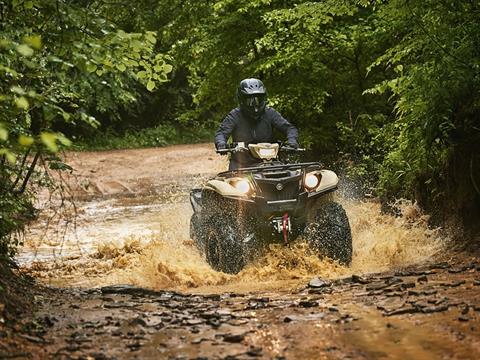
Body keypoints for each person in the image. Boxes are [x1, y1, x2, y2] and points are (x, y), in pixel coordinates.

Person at [214, 78, 299, 170]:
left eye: (258, 100)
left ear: (264, 98)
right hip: (242, 165)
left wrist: (292, 141)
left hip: (269, 163)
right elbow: (221, 133)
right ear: (242, 99)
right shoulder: (235, 115)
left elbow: (289, 128)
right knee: (231, 182)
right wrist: (221, 144)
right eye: (250, 101)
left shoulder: (270, 113)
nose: (255, 105)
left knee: (288, 178)